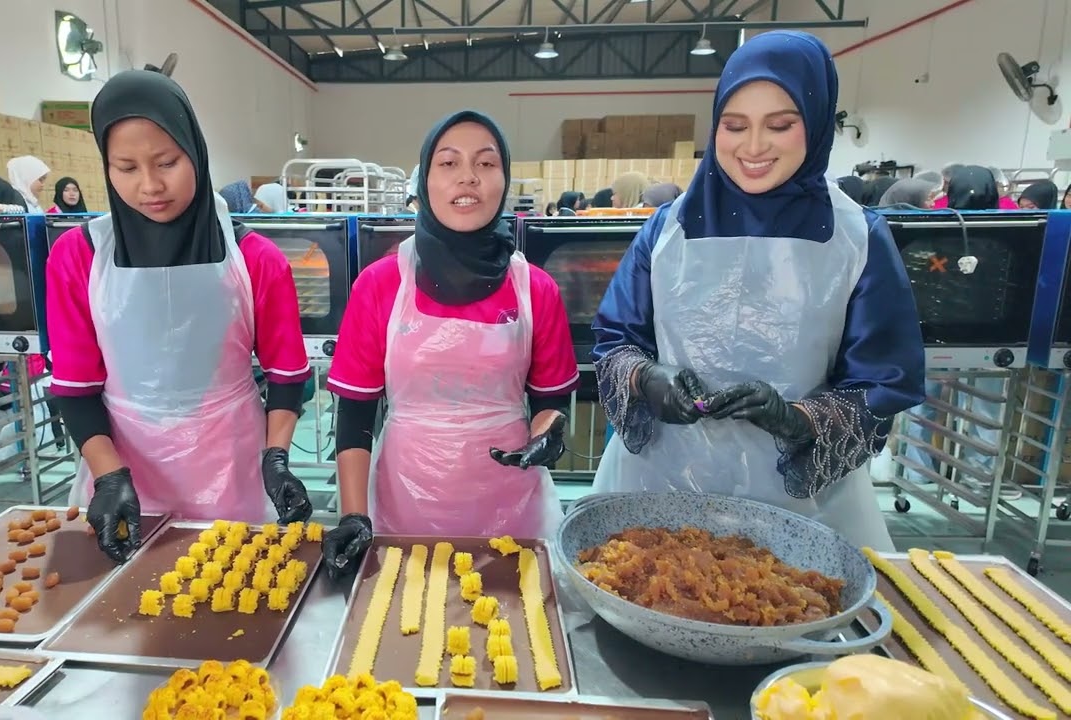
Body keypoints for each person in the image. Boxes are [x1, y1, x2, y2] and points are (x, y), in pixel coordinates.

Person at [590, 30, 925, 552]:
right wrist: (647, 378)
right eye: (735, 125)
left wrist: (797, 419)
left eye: (780, 125)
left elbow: (883, 380)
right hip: (655, 490)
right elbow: (615, 341)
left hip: (803, 509)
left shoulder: (855, 238)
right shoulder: (667, 230)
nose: (752, 147)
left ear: (816, 122)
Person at [46, 70, 313, 563]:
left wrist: (276, 458)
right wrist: (109, 476)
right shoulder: (79, 257)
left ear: (195, 152)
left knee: (234, 590)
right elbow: (75, 386)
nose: (150, 185)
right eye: (126, 167)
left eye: (167, 162)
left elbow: (288, 373)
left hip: (231, 464)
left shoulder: (255, 259)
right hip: (123, 468)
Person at [321, 110, 578, 578]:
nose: (468, 177)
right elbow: (355, 415)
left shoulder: (534, 289)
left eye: (486, 163)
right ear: (425, 181)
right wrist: (354, 515)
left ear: (503, 180)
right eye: (448, 163)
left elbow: (550, 400)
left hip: (512, 506)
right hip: (405, 502)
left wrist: (548, 434)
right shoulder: (381, 285)